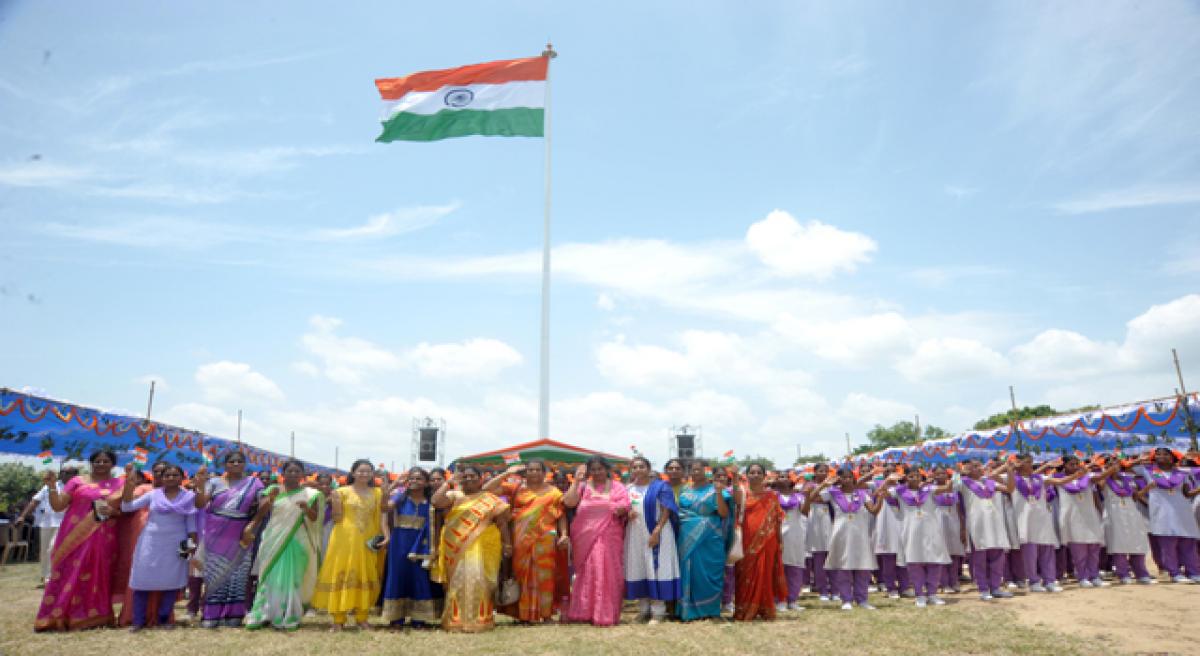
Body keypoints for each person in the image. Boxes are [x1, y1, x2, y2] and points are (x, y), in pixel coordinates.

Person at [34, 449, 124, 631]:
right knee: (68, 572)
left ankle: (96, 616)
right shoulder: (77, 481)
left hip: (103, 537)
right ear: (91, 463)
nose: (101, 464)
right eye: (97, 461)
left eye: (105, 461)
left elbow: (126, 511)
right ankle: (60, 615)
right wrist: (52, 486)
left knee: (99, 573)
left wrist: (114, 512)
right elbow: (58, 506)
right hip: (74, 536)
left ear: (113, 464)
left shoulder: (120, 484)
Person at [243, 459, 324, 631]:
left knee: (292, 578)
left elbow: (315, 518)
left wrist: (306, 509)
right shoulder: (273, 490)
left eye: (297, 471)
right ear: (283, 473)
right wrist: (265, 505)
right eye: (290, 471)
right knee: (270, 576)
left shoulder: (310, 494)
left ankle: (288, 614)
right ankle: (264, 613)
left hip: (297, 540)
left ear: (302, 475)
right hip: (273, 537)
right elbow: (262, 512)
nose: (293, 474)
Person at [484, 459, 567, 624]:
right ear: (525, 472)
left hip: (545, 540)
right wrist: (508, 473)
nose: (534, 473)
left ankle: (546, 614)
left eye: (537, 470)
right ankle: (523, 614)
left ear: (544, 473)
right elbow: (487, 488)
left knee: (545, 577)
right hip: (520, 539)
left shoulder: (554, 492)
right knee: (521, 575)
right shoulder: (516, 488)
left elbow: (561, 515)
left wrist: (564, 534)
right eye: (530, 470)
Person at [431, 465, 511, 633]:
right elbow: (436, 501)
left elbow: (502, 524)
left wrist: (507, 544)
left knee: (479, 581)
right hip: (456, 546)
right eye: (465, 476)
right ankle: (455, 620)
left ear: (481, 478)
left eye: (472, 476)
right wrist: (449, 483)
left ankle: (480, 620)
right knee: (458, 582)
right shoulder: (455, 495)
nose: (468, 479)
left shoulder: (490, 498)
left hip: (482, 546)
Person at [119, 462, 198, 631]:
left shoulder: (189, 497)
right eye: (167, 475)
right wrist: (128, 486)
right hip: (150, 541)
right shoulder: (153, 495)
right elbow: (126, 507)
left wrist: (191, 546)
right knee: (142, 579)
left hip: (177, 542)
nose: (170, 478)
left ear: (182, 478)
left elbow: (191, 524)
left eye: (174, 475)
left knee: (172, 580)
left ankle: (165, 619)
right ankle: (138, 621)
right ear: (161, 478)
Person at [191, 450, 265, 628]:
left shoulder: (254, 483)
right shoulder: (215, 482)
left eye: (239, 461)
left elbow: (264, 506)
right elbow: (200, 504)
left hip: (241, 531)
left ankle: (234, 614)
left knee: (238, 575)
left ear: (244, 464)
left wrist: (251, 526)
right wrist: (200, 487)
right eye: (231, 462)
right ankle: (211, 614)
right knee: (214, 574)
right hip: (216, 532)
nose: (236, 464)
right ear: (225, 465)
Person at [312, 459, 384, 630]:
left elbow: (380, 517)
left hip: (367, 539)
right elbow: (337, 518)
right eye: (360, 471)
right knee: (341, 572)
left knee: (364, 573)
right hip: (344, 539)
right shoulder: (341, 492)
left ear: (372, 474)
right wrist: (334, 500)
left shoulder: (377, 493)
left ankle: (362, 618)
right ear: (352, 473)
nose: (364, 474)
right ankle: (338, 620)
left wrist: (381, 537)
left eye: (368, 471)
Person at [564, 456, 630, 626]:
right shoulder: (583, 487)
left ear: (607, 469)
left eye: (600, 468)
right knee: (587, 571)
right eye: (593, 469)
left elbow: (625, 505)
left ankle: (605, 612)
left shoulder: (618, 487)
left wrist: (620, 508)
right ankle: (583, 612)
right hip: (584, 536)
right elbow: (569, 502)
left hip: (609, 534)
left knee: (606, 570)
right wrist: (576, 482)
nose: (597, 472)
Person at [809, 467, 883, 611]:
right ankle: (846, 599)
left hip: (860, 535)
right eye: (843, 477)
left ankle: (862, 599)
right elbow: (811, 498)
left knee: (862, 567)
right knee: (844, 567)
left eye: (850, 477)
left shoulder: (862, 494)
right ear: (839, 479)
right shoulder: (833, 493)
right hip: (841, 534)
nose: (847, 480)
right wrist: (824, 485)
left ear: (854, 478)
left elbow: (873, 510)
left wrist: (880, 498)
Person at [1007, 455, 1078, 593]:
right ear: (1019, 464)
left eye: (1031, 462)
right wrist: (1009, 468)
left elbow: (1061, 481)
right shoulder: (1013, 479)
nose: (1030, 465)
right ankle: (1033, 581)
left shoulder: (1040, 478)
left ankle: (1049, 581)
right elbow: (993, 477)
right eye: (1027, 462)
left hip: (1043, 519)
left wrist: (1077, 475)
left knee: (1047, 552)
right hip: (1025, 522)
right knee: (1030, 554)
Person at [883, 467, 953, 607]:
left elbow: (947, 488)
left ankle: (932, 594)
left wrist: (955, 474)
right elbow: (882, 494)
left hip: (931, 531)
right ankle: (919, 595)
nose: (915, 479)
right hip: (911, 532)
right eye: (911, 476)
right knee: (915, 564)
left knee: (934, 562)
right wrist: (887, 482)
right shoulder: (899, 491)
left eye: (917, 476)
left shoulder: (929, 490)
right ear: (906, 478)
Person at [382, 467, 443, 628]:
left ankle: (419, 618)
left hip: (422, 545)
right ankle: (396, 618)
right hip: (400, 543)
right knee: (398, 577)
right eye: (412, 479)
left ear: (426, 482)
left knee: (419, 578)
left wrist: (435, 546)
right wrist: (392, 486)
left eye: (418, 479)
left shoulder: (432, 501)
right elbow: (384, 508)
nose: (414, 482)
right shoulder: (400, 498)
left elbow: (436, 525)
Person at [622, 456, 680, 624]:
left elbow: (666, 510)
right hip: (635, 533)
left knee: (657, 569)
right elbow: (625, 508)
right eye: (634, 467)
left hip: (658, 532)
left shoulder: (661, 486)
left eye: (641, 466)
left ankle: (658, 612)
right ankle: (643, 610)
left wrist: (657, 531)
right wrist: (627, 513)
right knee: (639, 567)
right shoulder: (629, 489)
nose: (638, 470)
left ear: (648, 469)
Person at [114, 461, 171, 627]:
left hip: (165, 537)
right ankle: (135, 615)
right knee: (140, 573)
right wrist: (129, 485)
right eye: (157, 472)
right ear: (152, 473)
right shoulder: (145, 489)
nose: (160, 475)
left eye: (164, 472)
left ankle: (161, 615)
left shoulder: (174, 492)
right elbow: (126, 504)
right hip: (141, 534)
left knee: (164, 573)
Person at [1134, 448, 1200, 582]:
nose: (1161, 457)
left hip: (1182, 511)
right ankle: (1174, 573)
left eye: (1165, 454)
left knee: (1187, 543)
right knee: (1168, 545)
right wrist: (1140, 459)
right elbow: (1128, 467)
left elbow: (1187, 493)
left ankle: (1193, 572)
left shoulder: (1183, 473)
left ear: (1173, 457)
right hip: (1162, 512)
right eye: (1158, 454)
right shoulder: (1147, 471)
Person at [953, 458, 1014, 601]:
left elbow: (1010, 489)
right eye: (974, 466)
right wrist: (958, 472)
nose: (979, 468)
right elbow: (953, 485)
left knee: (998, 558)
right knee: (980, 559)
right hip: (977, 525)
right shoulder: (964, 484)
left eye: (979, 465)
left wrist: (1010, 472)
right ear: (967, 470)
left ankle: (996, 587)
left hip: (995, 524)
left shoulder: (990, 482)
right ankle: (983, 589)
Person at [677, 460, 730, 621]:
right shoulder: (684, 491)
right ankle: (689, 611)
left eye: (699, 470)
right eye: (692, 470)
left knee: (711, 572)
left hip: (711, 537)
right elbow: (680, 512)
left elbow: (723, 514)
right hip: (688, 536)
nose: (695, 473)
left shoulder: (715, 489)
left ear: (706, 471)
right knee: (690, 572)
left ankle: (712, 611)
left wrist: (719, 493)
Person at [733, 464, 787, 621]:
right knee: (744, 574)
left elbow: (777, 520)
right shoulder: (742, 492)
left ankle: (765, 609)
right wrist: (735, 478)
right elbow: (736, 499)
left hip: (768, 541)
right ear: (747, 475)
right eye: (752, 472)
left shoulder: (771, 496)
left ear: (764, 476)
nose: (755, 475)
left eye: (759, 473)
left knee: (764, 575)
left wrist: (780, 541)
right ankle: (744, 609)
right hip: (745, 539)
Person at [1053, 456, 1113, 588]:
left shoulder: (1087, 477)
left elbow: (1098, 478)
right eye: (1071, 464)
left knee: (1093, 547)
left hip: (1089, 516)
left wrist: (1111, 469)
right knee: (1079, 551)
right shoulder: (1060, 479)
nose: (1074, 467)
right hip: (1072, 518)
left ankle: (1094, 576)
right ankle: (1082, 577)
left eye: (1076, 464)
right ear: (1064, 466)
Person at [15, 466, 74, 588]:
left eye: (67, 473)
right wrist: (22, 516)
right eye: (62, 472)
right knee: (44, 551)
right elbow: (34, 501)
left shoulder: (75, 487)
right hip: (46, 522)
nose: (64, 474)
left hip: (64, 522)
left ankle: (50, 577)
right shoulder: (49, 486)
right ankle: (45, 575)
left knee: (52, 548)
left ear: (74, 474)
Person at [1098, 457, 1153, 584]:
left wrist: (1146, 489)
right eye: (1110, 464)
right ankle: (1123, 574)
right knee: (1119, 544)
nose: (1114, 466)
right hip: (1114, 513)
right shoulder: (1103, 479)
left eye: (1116, 463)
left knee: (1137, 543)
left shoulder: (1127, 479)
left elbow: (1135, 496)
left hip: (1131, 512)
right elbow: (1099, 486)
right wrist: (1107, 472)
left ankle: (1141, 573)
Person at [931, 466, 965, 592]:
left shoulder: (954, 490)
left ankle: (954, 580)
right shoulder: (931, 489)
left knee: (954, 553)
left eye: (943, 474)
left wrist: (962, 527)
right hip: (939, 519)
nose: (941, 476)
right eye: (938, 474)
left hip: (954, 520)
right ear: (933, 476)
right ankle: (944, 583)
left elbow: (959, 510)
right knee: (942, 552)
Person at [777, 474, 808, 611]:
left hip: (795, 535)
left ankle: (793, 600)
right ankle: (780, 600)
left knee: (795, 568)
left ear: (792, 480)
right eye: (780, 476)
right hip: (778, 535)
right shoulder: (773, 497)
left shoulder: (800, 497)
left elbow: (805, 512)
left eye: (785, 476)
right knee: (779, 569)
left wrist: (809, 498)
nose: (782, 479)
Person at [805, 463, 835, 601]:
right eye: (821, 471)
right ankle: (822, 590)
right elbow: (809, 498)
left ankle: (835, 589)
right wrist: (822, 487)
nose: (824, 474)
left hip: (828, 519)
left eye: (826, 471)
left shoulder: (833, 486)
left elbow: (824, 499)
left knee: (832, 556)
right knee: (819, 557)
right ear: (815, 472)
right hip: (814, 519)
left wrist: (819, 494)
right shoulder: (809, 485)